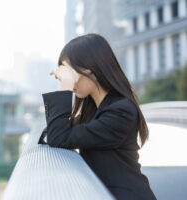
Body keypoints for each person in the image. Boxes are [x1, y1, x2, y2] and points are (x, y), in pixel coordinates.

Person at [39, 33, 157, 200]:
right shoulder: (93, 109)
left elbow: (59, 137)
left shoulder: (121, 111)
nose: (68, 78)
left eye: (69, 71)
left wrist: (66, 85)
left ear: (89, 69)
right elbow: (52, 133)